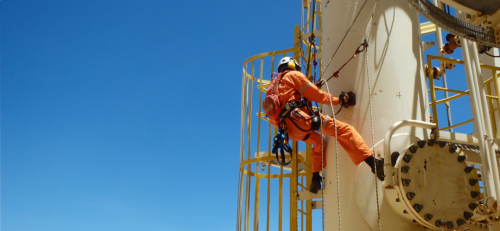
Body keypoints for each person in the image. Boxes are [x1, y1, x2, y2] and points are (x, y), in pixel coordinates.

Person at [267, 57, 384, 194]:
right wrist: (338, 100)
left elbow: (273, 114)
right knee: (345, 130)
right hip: (301, 121)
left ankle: (315, 179)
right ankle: (373, 163)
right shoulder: (293, 75)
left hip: (290, 131)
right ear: (293, 66)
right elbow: (316, 95)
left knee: (318, 141)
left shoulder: (272, 87)